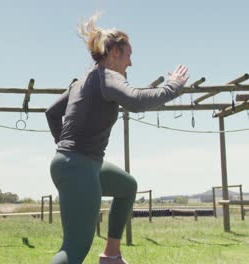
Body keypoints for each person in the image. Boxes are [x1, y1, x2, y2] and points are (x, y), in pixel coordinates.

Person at [45, 13, 189, 264]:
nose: (130, 64)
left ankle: (111, 254)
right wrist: (172, 86)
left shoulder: (82, 81)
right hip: (79, 165)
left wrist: (66, 152)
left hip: (76, 163)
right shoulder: (107, 75)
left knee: (126, 186)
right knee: (74, 249)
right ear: (114, 53)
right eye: (128, 55)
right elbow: (135, 100)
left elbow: (52, 113)